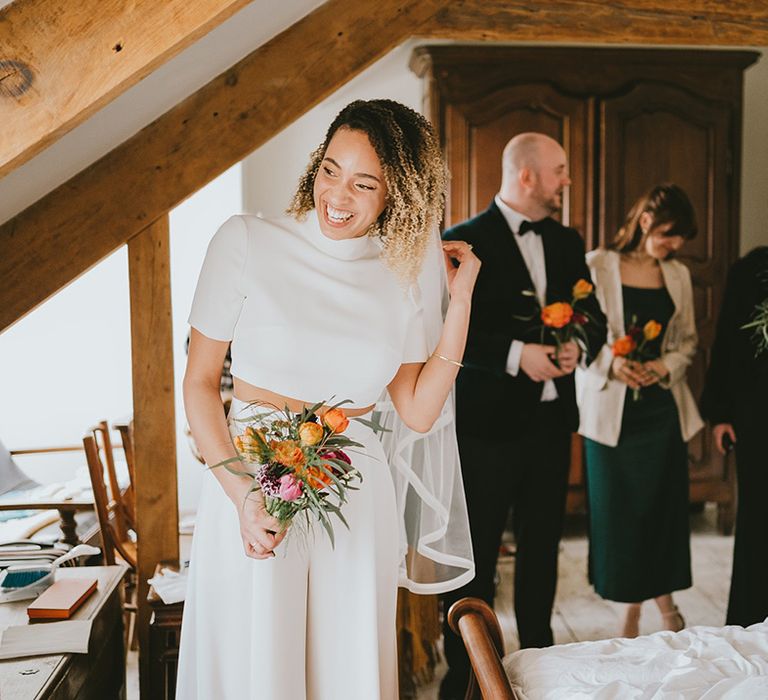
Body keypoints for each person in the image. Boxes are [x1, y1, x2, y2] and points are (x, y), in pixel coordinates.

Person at [175, 99, 479, 700]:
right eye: (331, 170)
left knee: (346, 671)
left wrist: (461, 303)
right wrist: (242, 497)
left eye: (365, 183)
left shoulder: (403, 272)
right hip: (253, 490)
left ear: (398, 194)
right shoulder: (245, 241)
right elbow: (200, 384)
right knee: (253, 663)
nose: (338, 195)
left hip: (356, 499)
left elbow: (417, 410)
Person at [439, 133, 606, 698]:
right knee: (477, 554)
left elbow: (594, 317)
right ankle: (464, 674)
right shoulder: (462, 240)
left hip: (551, 427)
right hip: (486, 431)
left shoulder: (567, 239)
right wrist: (518, 355)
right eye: (559, 170)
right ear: (528, 175)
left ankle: (539, 665)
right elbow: (446, 331)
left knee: (543, 547)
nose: (566, 181)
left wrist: (575, 349)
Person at [577, 183, 704, 638]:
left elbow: (687, 341)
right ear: (647, 221)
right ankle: (634, 614)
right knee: (621, 515)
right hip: (610, 414)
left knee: (662, 511)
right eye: (671, 234)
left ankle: (662, 608)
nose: (676, 245)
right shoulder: (596, 265)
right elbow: (581, 335)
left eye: (681, 239)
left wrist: (662, 366)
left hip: (660, 410)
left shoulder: (679, 275)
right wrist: (615, 362)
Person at [701, 246, 768, 627]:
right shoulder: (751, 271)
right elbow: (728, 342)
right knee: (758, 517)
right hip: (758, 418)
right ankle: (751, 617)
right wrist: (721, 413)